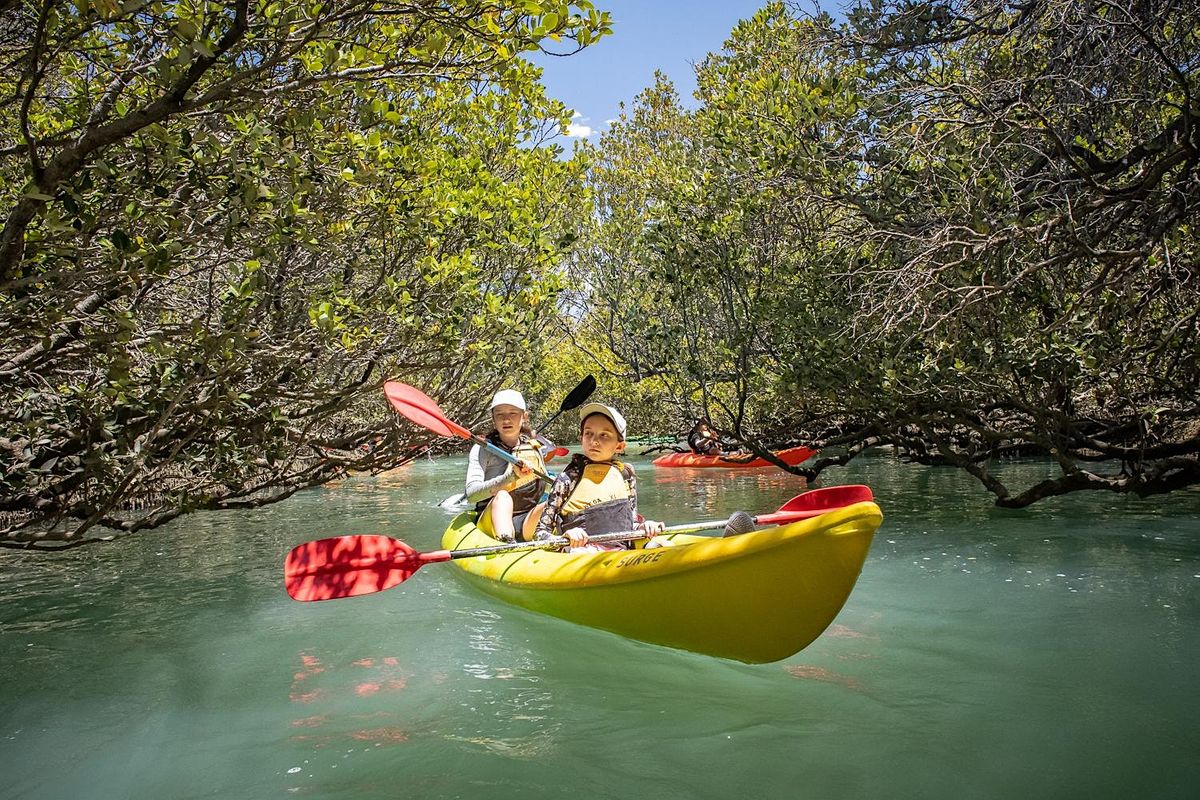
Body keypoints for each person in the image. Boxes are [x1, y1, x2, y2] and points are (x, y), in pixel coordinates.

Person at [533, 402, 665, 552]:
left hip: (620, 550)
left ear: (620, 446)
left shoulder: (626, 475)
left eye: (604, 435)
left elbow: (630, 523)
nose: (594, 441)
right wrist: (565, 537)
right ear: (581, 437)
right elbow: (540, 534)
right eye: (588, 433)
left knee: (660, 543)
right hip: (582, 552)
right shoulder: (567, 479)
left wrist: (644, 526)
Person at [464, 389, 549, 543]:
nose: (506, 420)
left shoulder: (533, 447)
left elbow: (547, 487)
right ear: (493, 419)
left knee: (553, 504)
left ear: (524, 416)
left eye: (513, 413)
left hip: (525, 520)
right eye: (500, 415)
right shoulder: (482, 449)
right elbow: (471, 494)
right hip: (490, 520)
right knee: (503, 497)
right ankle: (506, 543)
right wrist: (510, 478)